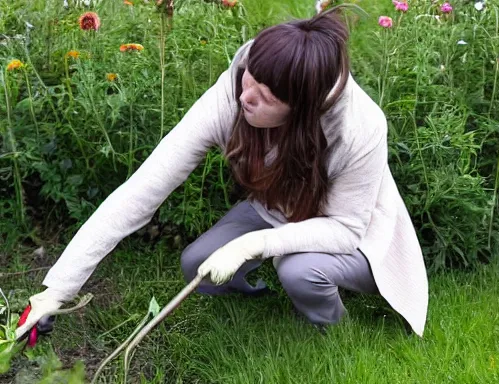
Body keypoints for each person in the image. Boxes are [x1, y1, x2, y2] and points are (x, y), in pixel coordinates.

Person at [15, 6, 429, 343]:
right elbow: (140, 192)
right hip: (279, 210)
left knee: (299, 271)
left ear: (301, 111)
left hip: (355, 235)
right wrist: (58, 290)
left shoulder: (360, 128)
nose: (245, 97)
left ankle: (331, 333)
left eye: (266, 98)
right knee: (198, 264)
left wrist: (255, 244)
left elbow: (346, 229)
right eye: (252, 78)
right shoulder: (235, 90)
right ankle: (255, 294)